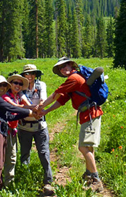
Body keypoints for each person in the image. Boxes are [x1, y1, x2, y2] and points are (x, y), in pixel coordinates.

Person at [37, 57, 103, 188]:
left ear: (72, 65)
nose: (63, 69)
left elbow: (56, 94)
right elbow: (61, 100)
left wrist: (40, 106)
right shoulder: (73, 82)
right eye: (61, 68)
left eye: (66, 66)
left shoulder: (74, 79)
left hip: (90, 114)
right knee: (88, 147)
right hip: (89, 114)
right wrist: (46, 111)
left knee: (83, 147)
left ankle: (96, 179)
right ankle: (89, 173)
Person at [0, 75, 34, 197]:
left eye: (4, 86)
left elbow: (9, 116)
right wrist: (29, 112)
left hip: (2, 130)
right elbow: (11, 108)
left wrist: (27, 114)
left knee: (0, 160)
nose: (2, 88)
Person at [17, 64, 54, 196]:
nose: (30, 76)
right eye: (27, 74)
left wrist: (39, 108)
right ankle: (25, 180)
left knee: (44, 153)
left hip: (40, 126)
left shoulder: (41, 85)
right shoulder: (19, 87)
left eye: (33, 73)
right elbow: (24, 102)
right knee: (25, 154)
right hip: (24, 126)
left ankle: (48, 181)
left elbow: (43, 98)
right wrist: (35, 111)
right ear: (24, 76)